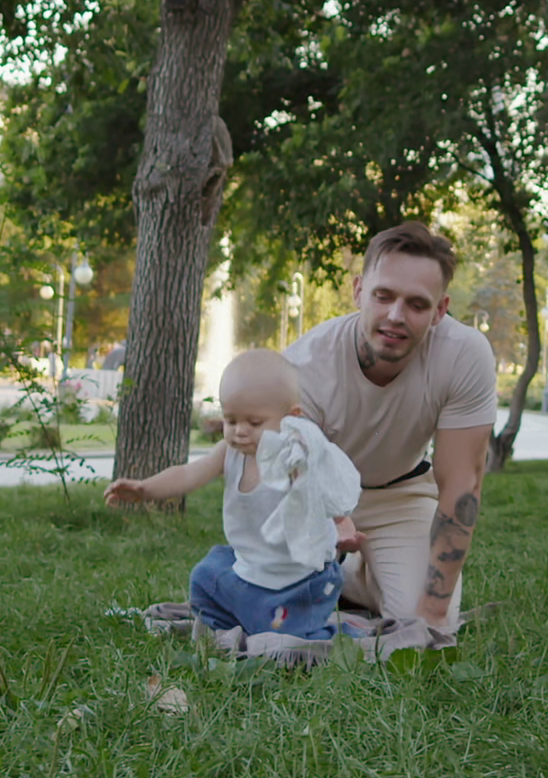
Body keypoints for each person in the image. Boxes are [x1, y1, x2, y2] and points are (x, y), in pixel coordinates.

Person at [283, 221, 496, 631]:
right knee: (273, 607)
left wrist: (432, 615)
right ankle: (341, 570)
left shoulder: (465, 354)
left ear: (439, 310)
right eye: (383, 296)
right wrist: (330, 524)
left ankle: (358, 575)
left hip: (401, 494)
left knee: (423, 623)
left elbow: (461, 485)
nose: (396, 316)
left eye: (417, 304)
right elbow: (289, 474)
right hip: (315, 498)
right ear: (359, 291)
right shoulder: (305, 364)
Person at [105, 350, 363, 640]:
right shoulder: (229, 453)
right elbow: (188, 474)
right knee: (206, 576)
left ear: (290, 418)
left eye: (254, 423)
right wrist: (145, 489)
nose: (240, 431)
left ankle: (312, 630)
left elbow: (328, 495)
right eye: (230, 420)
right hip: (250, 566)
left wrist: (344, 528)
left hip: (302, 577)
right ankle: (225, 623)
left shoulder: (295, 459)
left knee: (285, 634)